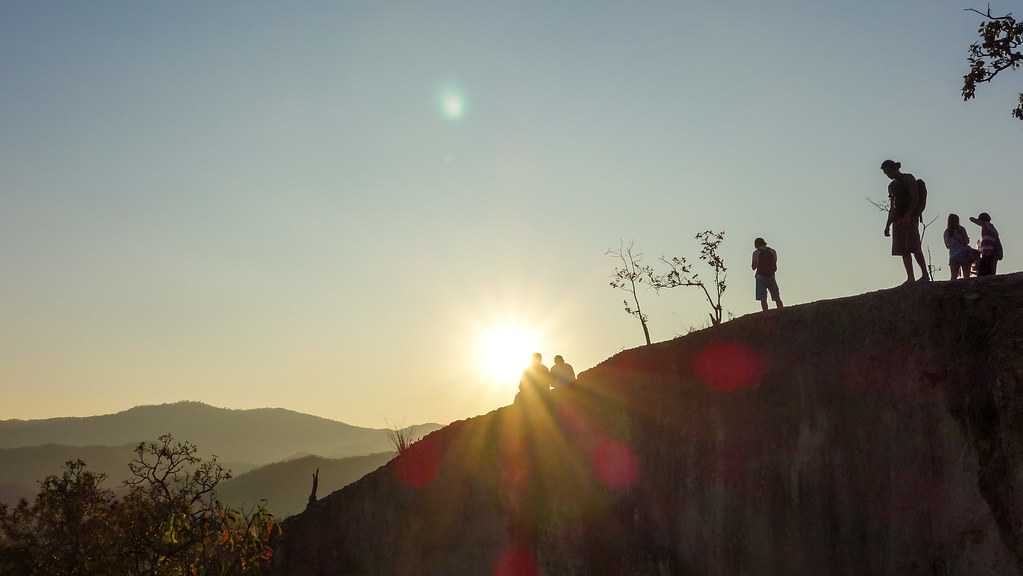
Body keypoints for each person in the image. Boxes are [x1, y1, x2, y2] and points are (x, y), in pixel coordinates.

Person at [881, 160, 929, 284]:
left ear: (894, 169)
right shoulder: (891, 186)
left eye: (888, 171)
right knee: (903, 250)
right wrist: (887, 225)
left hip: (910, 217)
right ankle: (910, 278)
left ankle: (925, 274)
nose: (887, 174)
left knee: (915, 247)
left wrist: (909, 215)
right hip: (898, 219)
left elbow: (915, 197)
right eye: (885, 173)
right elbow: (892, 206)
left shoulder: (908, 178)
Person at [751, 237, 783, 311]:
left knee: (763, 299)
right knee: (777, 297)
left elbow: (753, 267)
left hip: (760, 277)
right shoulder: (772, 251)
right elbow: (775, 265)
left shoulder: (756, 253)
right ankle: (782, 312)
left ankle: (765, 314)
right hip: (771, 276)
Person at [943, 213, 976, 280]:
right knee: (966, 276)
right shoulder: (961, 230)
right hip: (963, 254)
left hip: (955, 255)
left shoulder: (947, 232)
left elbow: (947, 245)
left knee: (954, 276)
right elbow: (966, 241)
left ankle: (953, 289)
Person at [970, 212, 1002, 277]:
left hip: (989, 251)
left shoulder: (986, 225)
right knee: (990, 270)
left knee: (984, 271)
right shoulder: (992, 228)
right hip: (991, 251)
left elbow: (972, 219)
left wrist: (973, 219)